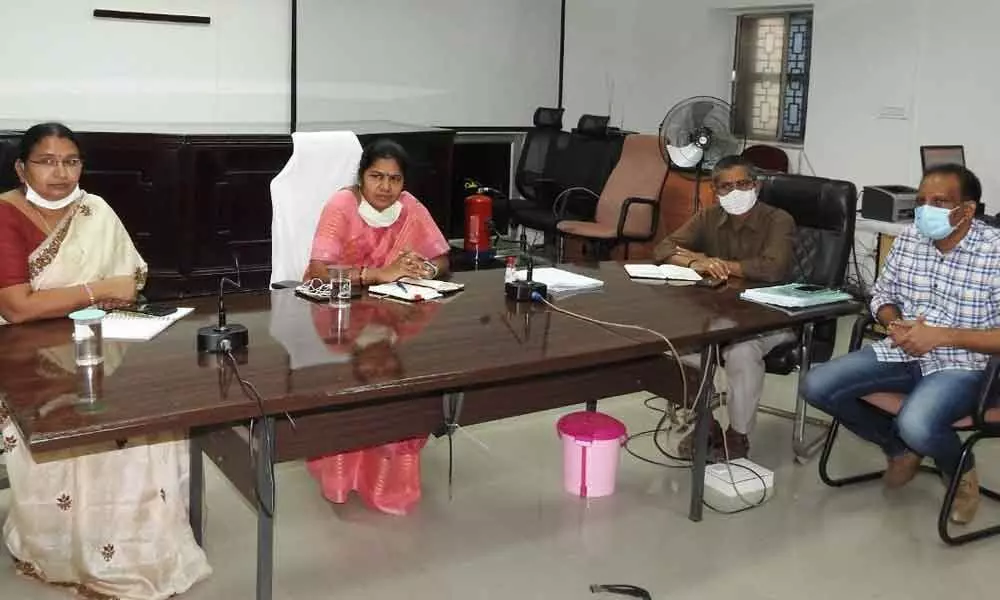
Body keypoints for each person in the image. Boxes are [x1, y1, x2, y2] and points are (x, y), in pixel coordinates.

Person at [0, 123, 211, 599]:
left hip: (100, 339)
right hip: (27, 352)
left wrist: (106, 297)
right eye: (46, 161)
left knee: (148, 412)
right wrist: (99, 291)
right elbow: (16, 306)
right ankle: (66, 547)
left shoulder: (94, 208)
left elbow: (129, 284)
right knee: (81, 419)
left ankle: (141, 548)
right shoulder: (5, 216)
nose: (60, 172)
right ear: (21, 167)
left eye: (70, 161)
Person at [802, 164, 1000, 525]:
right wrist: (893, 322)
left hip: (966, 363)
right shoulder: (910, 239)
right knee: (816, 385)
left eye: (940, 201)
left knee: (918, 424)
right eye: (922, 200)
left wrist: (941, 335)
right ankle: (900, 450)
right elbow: (881, 295)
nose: (926, 210)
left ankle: (959, 472)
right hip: (902, 349)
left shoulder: (995, 252)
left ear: (968, 210)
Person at [304, 138, 450, 515]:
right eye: (376, 177)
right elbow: (320, 271)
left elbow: (442, 257)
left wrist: (426, 269)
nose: (385, 187)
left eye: (394, 179)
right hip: (335, 315)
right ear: (361, 177)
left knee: (406, 374)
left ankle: (389, 478)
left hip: (390, 313)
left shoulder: (410, 208)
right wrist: (377, 274)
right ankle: (342, 475)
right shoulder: (342, 206)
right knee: (359, 379)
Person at [653, 155, 795, 460]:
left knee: (740, 352)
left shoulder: (778, 219)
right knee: (672, 348)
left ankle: (738, 435)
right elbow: (664, 248)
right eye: (726, 187)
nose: (736, 192)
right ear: (715, 191)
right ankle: (707, 424)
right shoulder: (710, 217)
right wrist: (696, 261)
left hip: (772, 318)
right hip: (720, 315)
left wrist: (722, 266)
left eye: (743, 184)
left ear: (756, 185)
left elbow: (773, 269)